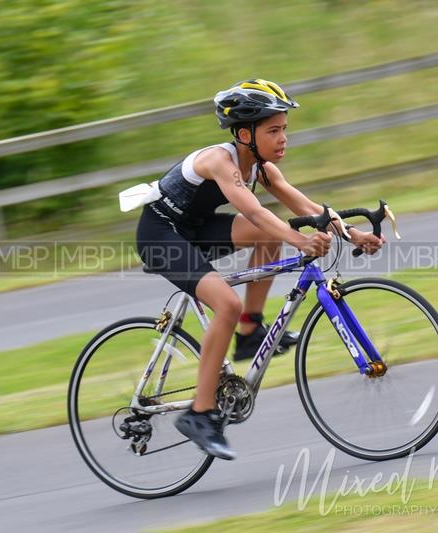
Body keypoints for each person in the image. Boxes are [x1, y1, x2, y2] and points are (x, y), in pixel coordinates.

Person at [135, 79, 384, 460]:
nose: (283, 138)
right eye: (273, 131)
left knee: (270, 235)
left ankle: (250, 330)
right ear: (244, 133)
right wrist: (300, 241)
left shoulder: (263, 168)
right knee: (226, 302)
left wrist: (353, 235)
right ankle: (200, 414)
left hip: (196, 229)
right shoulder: (218, 160)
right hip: (160, 235)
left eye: (284, 129)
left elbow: (307, 207)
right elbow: (252, 210)